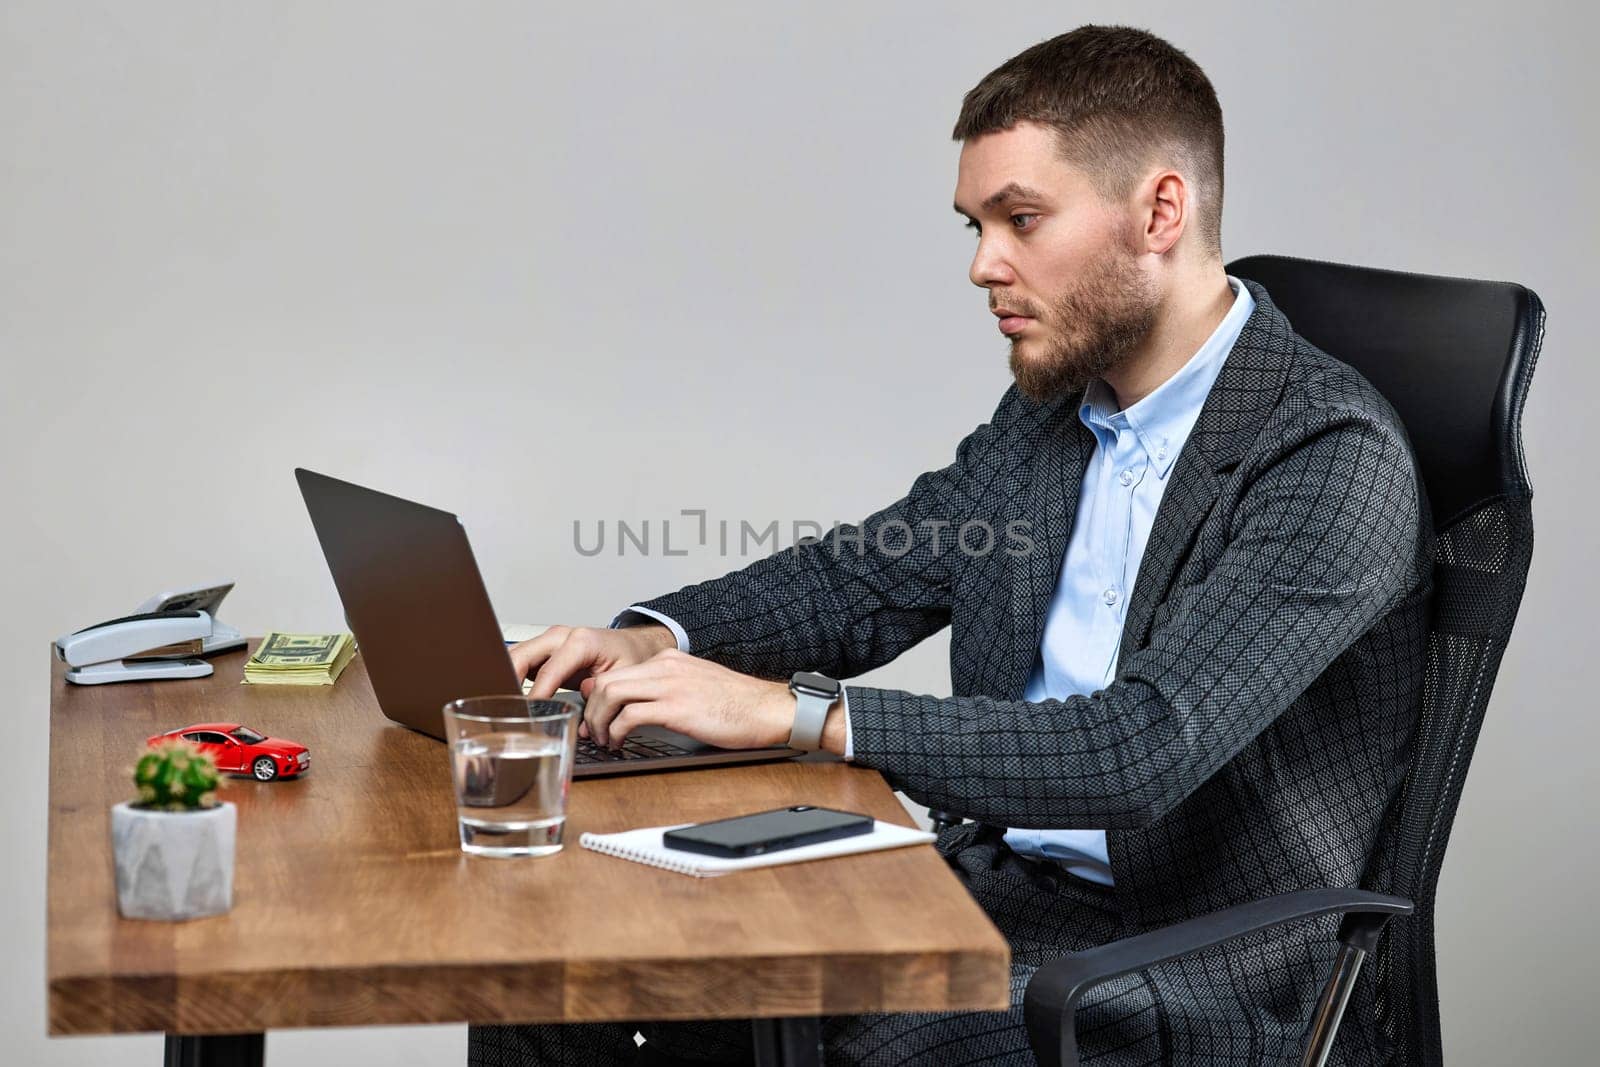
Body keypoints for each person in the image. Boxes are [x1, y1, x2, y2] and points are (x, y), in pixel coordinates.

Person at [470, 24, 1433, 1067]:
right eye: (976, 224)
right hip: (984, 892)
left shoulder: (1329, 453)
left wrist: (794, 714)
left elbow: (1139, 748)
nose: (984, 265)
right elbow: (868, 574)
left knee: (836, 1036)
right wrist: (658, 639)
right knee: (562, 978)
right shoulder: (1056, 410)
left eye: (1022, 219)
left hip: (1180, 970)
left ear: (1159, 209)